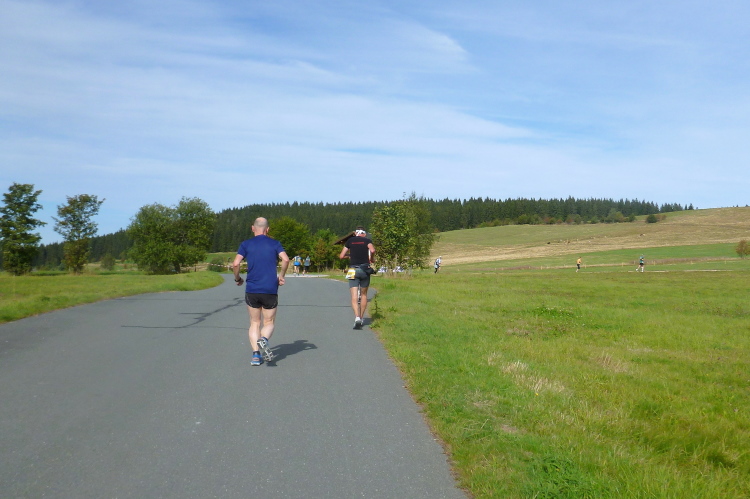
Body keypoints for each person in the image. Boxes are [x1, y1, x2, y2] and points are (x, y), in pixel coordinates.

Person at [232, 218, 290, 366]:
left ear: (253, 228)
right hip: (270, 289)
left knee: (254, 322)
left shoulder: (246, 244)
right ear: (267, 229)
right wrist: (281, 276)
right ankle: (263, 339)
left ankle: (256, 356)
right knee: (269, 322)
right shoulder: (275, 243)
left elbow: (236, 263)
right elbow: (285, 259)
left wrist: (237, 278)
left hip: (252, 289)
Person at [339, 226, 376, 329]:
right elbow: (372, 250)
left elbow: (341, 256)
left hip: (353, 270)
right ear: (364, 234)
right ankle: (362, 317)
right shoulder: (367, 241)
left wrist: (349, 256)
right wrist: (371, 259)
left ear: (355, 233)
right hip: (364, 269)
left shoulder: (350, 241)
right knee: (363, 295)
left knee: (354, 296)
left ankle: (357, 317)